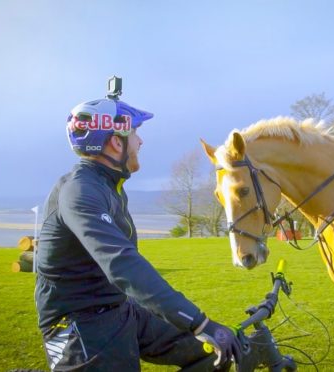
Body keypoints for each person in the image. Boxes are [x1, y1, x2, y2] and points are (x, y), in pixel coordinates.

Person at [34, 78, 241, 371]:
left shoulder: (110, 186)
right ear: (116, 141)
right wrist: (199, 322)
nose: (141, 142)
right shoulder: (79, 191)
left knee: (208, 354)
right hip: (78, 323)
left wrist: (196, 327)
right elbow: (122, 263)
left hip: (120, 309)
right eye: (135, 134)